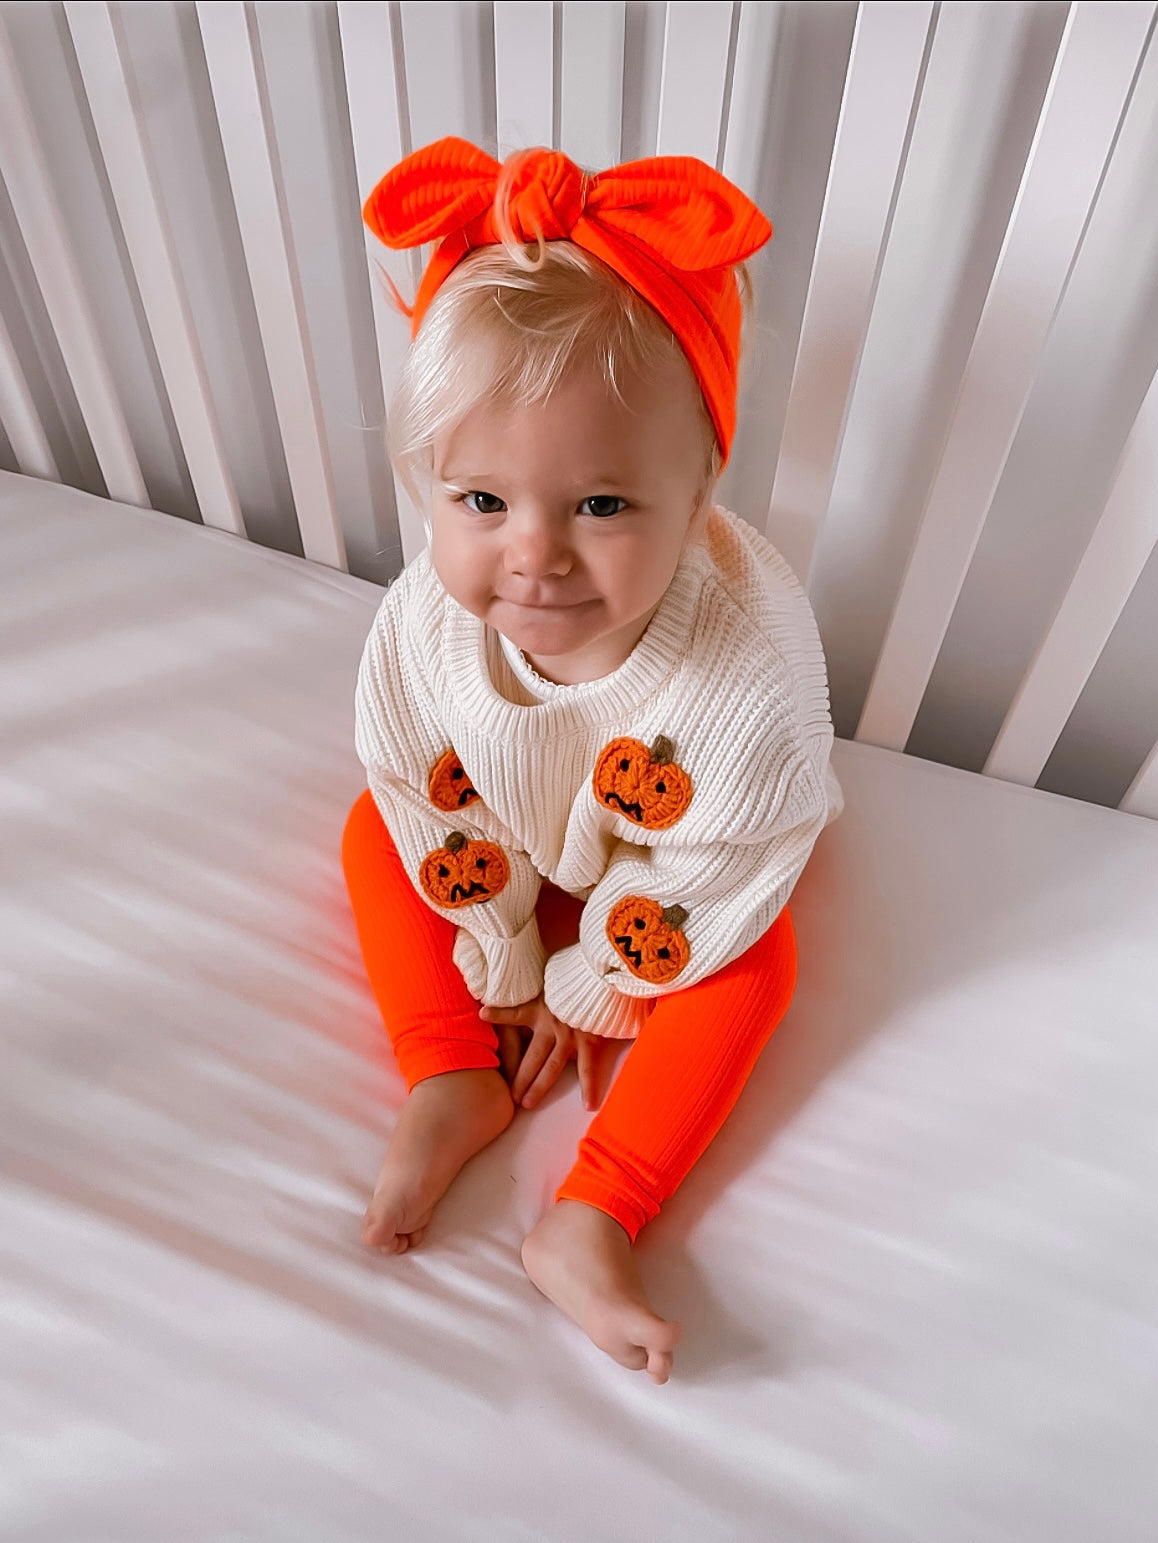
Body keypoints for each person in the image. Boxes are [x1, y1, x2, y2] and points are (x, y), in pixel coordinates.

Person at [341, 137, 842, 1384]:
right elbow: (419, 782)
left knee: (758, 959)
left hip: (673, 868)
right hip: (509, 832)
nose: (535, 558)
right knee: (366, 825)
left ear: (702, 486)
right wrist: (503, 950)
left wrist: (592, 983)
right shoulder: (427, 621)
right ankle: (448, 1077)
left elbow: (723, 865)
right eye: (482, 501)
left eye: (602, 506)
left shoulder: (744, 674)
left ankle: (595, 1212)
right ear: (435, 491)